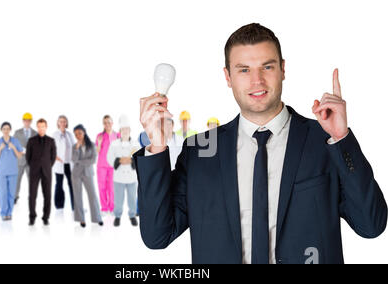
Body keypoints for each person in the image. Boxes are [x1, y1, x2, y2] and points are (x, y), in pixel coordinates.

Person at [134, 23, 387, 264]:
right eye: (244, 69)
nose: (257, 81)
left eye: (267, 67)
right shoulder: (199, 151)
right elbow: (157, 236)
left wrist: (341, 140)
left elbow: (371, 225)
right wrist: (156, 147)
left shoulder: (325, 141)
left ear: (283, 69)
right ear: (228, 76)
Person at [107, 115, 140, 227]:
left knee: (132, 198)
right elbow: (109, 157)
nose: (125, 131)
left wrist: (130, 160)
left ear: (130, 130)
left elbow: (140, 157)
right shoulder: (114, 144)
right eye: (123, 129)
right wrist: (119, 160)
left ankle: (132, 215)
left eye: (127, 129)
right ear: (120, 131)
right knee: (118, 199)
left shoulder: (135, 143)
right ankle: (117, 216)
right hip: (119, 177)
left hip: (131, 176)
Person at [72, 124, 103, 228]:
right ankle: (81, 219)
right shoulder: (74, 146)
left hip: (88, 173)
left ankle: (97, 218)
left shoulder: (92, 145)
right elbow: (73, 159)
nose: (78, 136)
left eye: (79, 133)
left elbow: (93, 160)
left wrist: (80, 161)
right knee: (77, 196)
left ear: (84, 132)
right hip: (76, 174)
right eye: (76, 134)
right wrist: (76, 149)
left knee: (92, 195)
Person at [26, 118, 56, 226]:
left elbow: (53, 158)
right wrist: (34, 166)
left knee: (47, 195)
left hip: (47, 172)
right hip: (34, 171)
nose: (41, 128)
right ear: (37, 127)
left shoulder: (51, 141)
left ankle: (46, 217)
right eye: (39, 126)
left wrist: (47, 166)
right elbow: (28, 157)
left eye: (43, 126)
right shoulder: (31, 140)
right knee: (32, 195)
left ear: (46, 127)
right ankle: (32, 217)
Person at [0, 122, 23, 221]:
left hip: (13, 171)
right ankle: (3, 213)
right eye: (4, 129)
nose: (6, 130)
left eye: (8, 128)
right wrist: (0, 149)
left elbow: (20, 156)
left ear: (10, 130)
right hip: (2, 172)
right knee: (2, 193)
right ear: (1, 130)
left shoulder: (15, 141)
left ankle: (9, 213)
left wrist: (13, 147)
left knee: (11, 193)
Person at [96, 115, 120, 214]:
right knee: (102, 187)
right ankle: (104, 208)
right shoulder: (100, 136)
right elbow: (97, 151)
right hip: (101, 165)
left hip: (113, 166)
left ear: (112, 123)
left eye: (109, 122)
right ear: (103, 124)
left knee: (112, 188)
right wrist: (100, 142)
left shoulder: (117, 135)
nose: (107, 124)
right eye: (105, 123)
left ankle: (112, 208)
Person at [13, 113, 37, 204]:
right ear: (23, 121)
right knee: (17, 179)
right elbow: (13, 145)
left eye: (29, 120)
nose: (27, 122)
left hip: (31, 161)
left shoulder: (35, 133)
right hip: (20, 160)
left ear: (31, 121)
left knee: (32, 180)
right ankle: (15, 196)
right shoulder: (17, 132)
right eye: (25, 120)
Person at [53, 115, 75, 210]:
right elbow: (51, 148)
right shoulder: (55, 134)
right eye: (60, 121)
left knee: (72, 184)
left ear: (66, 123)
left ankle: (75, 206)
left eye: (64, 121)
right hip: (59, 163)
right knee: (59, 184)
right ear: (58, 123)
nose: (62, 123)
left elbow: (74, 147)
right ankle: (59, 205)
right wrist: (55, 156)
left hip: (68, 163)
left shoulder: (69, 135)